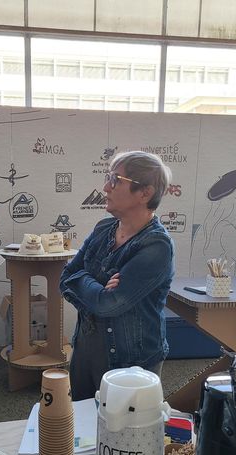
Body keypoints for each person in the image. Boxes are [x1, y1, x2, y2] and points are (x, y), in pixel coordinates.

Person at [60, 151, 174, 402]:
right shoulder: (103, 229)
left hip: (131, 361)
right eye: (107, 178)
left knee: (125, 434)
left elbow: (109, 305)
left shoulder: (156, 246)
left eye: (115, 180)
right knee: (83, 428)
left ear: (145, 192)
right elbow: (65, 276)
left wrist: (86, 282)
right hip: (86, 350)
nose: (105, 187)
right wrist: (99, 288)